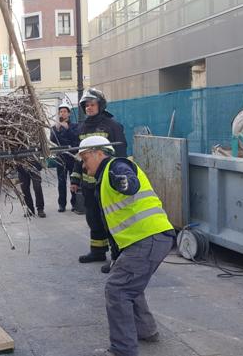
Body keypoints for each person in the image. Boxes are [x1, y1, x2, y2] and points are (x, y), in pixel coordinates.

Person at [76, 136, 175, 356]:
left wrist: (125, 181)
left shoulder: (115, 166)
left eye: (85, 158)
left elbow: (128, 180)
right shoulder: (104, 177)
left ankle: (123, 350)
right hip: (148, 239)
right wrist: (116, 257)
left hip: (147, 238)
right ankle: (147, 331)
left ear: (99, 153)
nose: (83, 165)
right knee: (129, 284)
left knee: (117, 289)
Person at [70, 88, 127, 271]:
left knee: (110, 219)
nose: (89, 108)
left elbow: (120, 154)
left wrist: (118, 178)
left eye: (92, 104)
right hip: (89, 183)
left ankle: (117, 257)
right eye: (86, 105)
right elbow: (81, 157)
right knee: (93, 218)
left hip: (106, 183)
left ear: (100, 105)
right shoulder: (82, 127)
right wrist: (75, 179)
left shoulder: (112, 126)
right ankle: (97, 251)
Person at [50, 103, 79, 212]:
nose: (63, 113)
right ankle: (62, 204)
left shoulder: (74, 126)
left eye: (65, 111)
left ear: (69, 113)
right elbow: (52, 141)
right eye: (61, 111)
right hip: (61, 158)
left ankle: (75, 203)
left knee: (74, 180)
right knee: (61, 182)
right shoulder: (55, 127)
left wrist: (67, 129)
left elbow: (76, 139)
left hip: (72, 157)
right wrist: (56, 130)